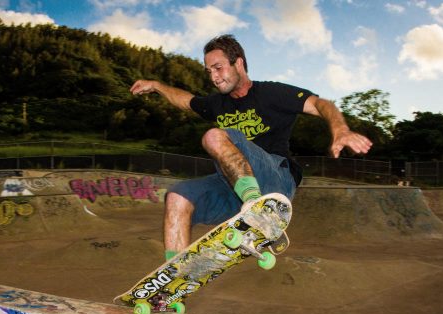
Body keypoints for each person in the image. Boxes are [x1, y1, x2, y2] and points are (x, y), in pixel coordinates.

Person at [130, 34, 372, 261]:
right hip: (233, 188)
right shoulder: (216, 103)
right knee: (177, 196)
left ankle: (259, 211)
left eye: (218, 67)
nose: (214, 77)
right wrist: (156, 85)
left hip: (275, 179)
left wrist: (340, 129)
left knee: (214, 137)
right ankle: (174, 277)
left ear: (239, 63)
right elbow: (185, 102)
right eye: (208, 71)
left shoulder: (271, 93)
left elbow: (321, 104)